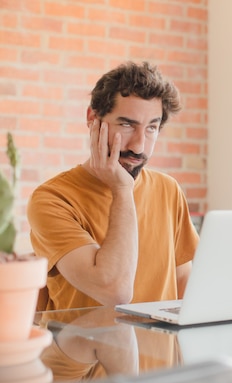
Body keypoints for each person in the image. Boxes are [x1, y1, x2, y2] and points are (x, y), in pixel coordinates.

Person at [28, 61, 199, 310]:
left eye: (151, 127)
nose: (139, 146)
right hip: (81, 349)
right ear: (93, 118)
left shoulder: (168, 189)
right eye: (127, 125)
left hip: (158, 348)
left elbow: (183, 280)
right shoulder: (52, 199)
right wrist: (122, 189)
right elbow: (114, 290)